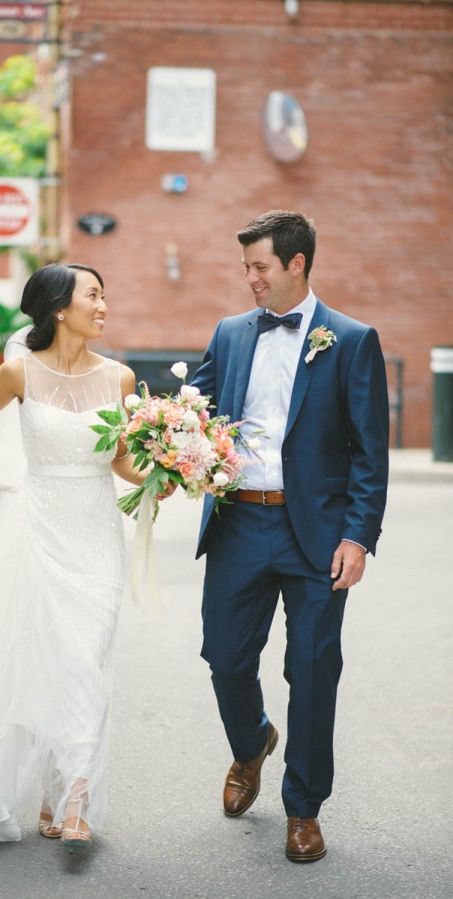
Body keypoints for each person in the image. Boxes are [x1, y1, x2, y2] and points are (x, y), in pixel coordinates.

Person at [0, 263, 161, 847]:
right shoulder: (19, 373)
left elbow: (119, 458)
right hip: (36, 528)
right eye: (93, 295)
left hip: (95, 532)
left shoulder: (119, 378)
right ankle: (58, 792)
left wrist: (158, 475)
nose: (103, 305)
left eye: (104, 294)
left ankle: (75, 798)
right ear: (58, 309)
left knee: (86, 661)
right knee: (48, 663)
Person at [191, 210, 389, 862]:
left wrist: (357, 537)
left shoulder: (351, 340)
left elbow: (369, 451)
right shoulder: (228, 333)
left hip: (318, 532)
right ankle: (251, 743)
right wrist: (167, 441)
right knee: (223, 655)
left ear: (296, 264)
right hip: (239, 520)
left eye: (259, 267)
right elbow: (193, 407)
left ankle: (304, 806)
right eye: (246, 266)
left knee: (312, 668)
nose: (249, 278)